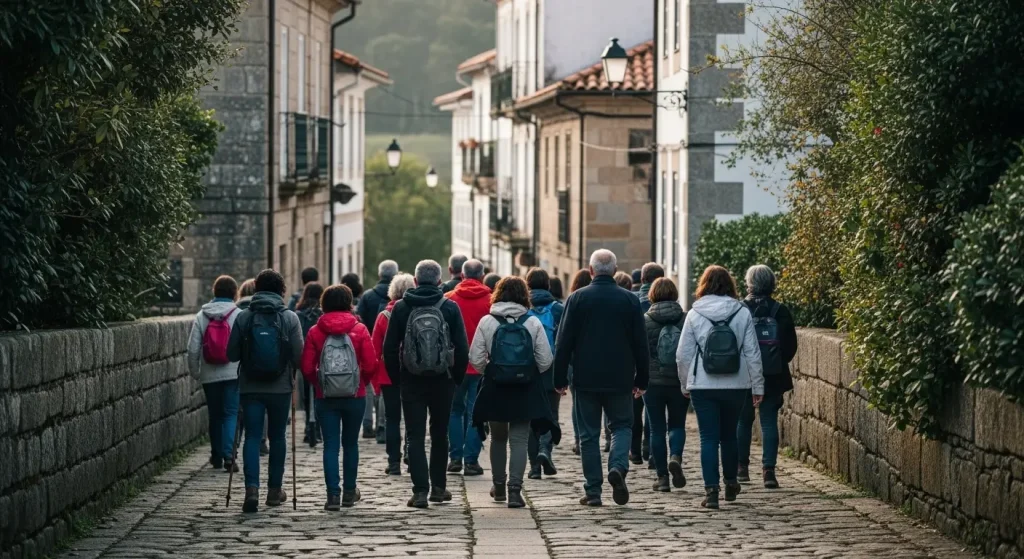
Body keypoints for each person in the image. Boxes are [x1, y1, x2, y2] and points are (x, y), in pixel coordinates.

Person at [554, 249, 649, 507]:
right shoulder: (629, 300)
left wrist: (559, 378)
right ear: (615, 271)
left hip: (586, 377)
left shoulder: (577, 298)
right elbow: (641, 344)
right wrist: (642, 379)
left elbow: (563, 343)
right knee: (622, 426)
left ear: (591, 270)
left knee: (588, 435)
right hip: (620, 377)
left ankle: (593, 490)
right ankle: (617, 466)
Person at [676, 265, 764, 509]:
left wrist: (685, 383)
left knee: (708, 438)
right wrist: (757, 386)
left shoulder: (694, 314)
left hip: (703, 385)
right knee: (729, 435)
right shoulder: (742, 312)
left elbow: (682, 355)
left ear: (704, 285)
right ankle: (731, 482)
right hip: (736, 384)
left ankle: (712, 491)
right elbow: (752, 352)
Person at [383, 260, 470, 508]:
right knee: (440, 434)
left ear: (416, 281)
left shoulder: (401, 307)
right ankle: (439, 488)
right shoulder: (449, 307)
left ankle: (420, 491)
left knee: (415, 435)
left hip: (411, 380)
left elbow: (389, 348)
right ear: (440, 281)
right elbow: (462, 348)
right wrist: (456, 378)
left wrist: (398, 379)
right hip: (443, 380)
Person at [470, 277, 556, 508]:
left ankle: (498, 487)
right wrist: (527, 372)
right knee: (519, 440)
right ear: (523, 296)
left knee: (498, 438)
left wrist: (492, 372)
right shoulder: (532, 322)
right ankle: (515, 492)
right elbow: (546, 360)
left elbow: (475, 358)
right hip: (524, 388)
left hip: (495, 388)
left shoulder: (487, 321)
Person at [226, 268, 304, 513]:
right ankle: (274, 491)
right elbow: (299, 356)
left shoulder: (244, 317)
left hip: (250, 387)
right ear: (281, 290)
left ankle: (251, 490)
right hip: (280, 387)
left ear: (257, 288)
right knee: (278, 436)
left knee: (251, 436)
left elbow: (231, 354)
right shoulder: (289, 317)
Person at [300, 284, 377, 510]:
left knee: (330, 445)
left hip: (326, 397)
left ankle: (333, 495)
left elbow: (307, 368)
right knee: (351, 444)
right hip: (355, 395)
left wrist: (320, 384)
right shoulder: (360, 329)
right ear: (348, 303)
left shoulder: (315, 331)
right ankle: (349, 492)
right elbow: (371, 364)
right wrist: (360, 383)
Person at [736, 265, 797, 489]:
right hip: (773, 375)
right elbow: (790, 347)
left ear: (749, 284)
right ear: (772, 283)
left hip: (744, 374)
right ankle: (768, 471)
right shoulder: (780, 311)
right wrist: (776, 363)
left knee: (743, 420)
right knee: (769, 421)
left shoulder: (739, 310)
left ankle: (741, 468)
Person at [187, 275, 241, 473]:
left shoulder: (202, 316)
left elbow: (193, 348)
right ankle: (229, 456)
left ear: (214, 291)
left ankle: (216, 455)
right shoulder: (238, 315)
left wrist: (195, 372)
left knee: (215, 414)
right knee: (231, 413)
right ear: (234, 293)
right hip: (233, 373)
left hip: (209, 373)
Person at [444, 259, 492, 476]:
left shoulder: (449, 299)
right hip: (482, 365)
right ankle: (471, 461)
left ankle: (455, 457)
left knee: (454, 411)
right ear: (482, 276)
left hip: (455, 365)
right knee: (476, 413)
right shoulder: (490, 300)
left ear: (461, 276)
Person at [642, 277, 689, 492]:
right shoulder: (685, 319)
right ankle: (676, 456)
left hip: (653, 382)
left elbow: (640, 352)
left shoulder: (645, 320)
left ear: (652, 295)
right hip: (678, 381)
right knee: (677, 424)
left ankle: (662, 478)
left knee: (657, 429)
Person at [371, 273, 416, 474]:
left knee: (392, 419)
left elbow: (375, 349)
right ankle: (411, 455)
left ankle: (394, 462)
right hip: (414, 372)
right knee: (413, 418)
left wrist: (375, 380)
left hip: (388, 374)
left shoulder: (384, 316)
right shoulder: (417, 312)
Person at [524, 268, 564, 480]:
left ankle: (534, 468)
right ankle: (545, 450)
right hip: (551, 369)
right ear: (548, 285)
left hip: (527, 370)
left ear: (527, 285)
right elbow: (564, 342)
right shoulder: (558, 309)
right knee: (551, 413)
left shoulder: (522, 308)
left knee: (531, 417)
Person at [566, 268, 593, 456]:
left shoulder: (573, 301)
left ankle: (578, 439)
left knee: (577, 403)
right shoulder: (594, 302)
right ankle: (604, 437)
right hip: (594, 359)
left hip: (574, 361)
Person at [296, 283, 325, 447]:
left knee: (307, 395)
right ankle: (318, 428)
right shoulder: (322, 313)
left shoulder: (299, 314)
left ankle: (309, 426)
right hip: (322, 358)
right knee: (321, 393)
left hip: (305, 358)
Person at [358, 260, 398, 332]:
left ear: (379, 274)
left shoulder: (367, 296)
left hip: (370, 337)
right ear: (396, 275)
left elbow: (360, 321)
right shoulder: (401, 295)